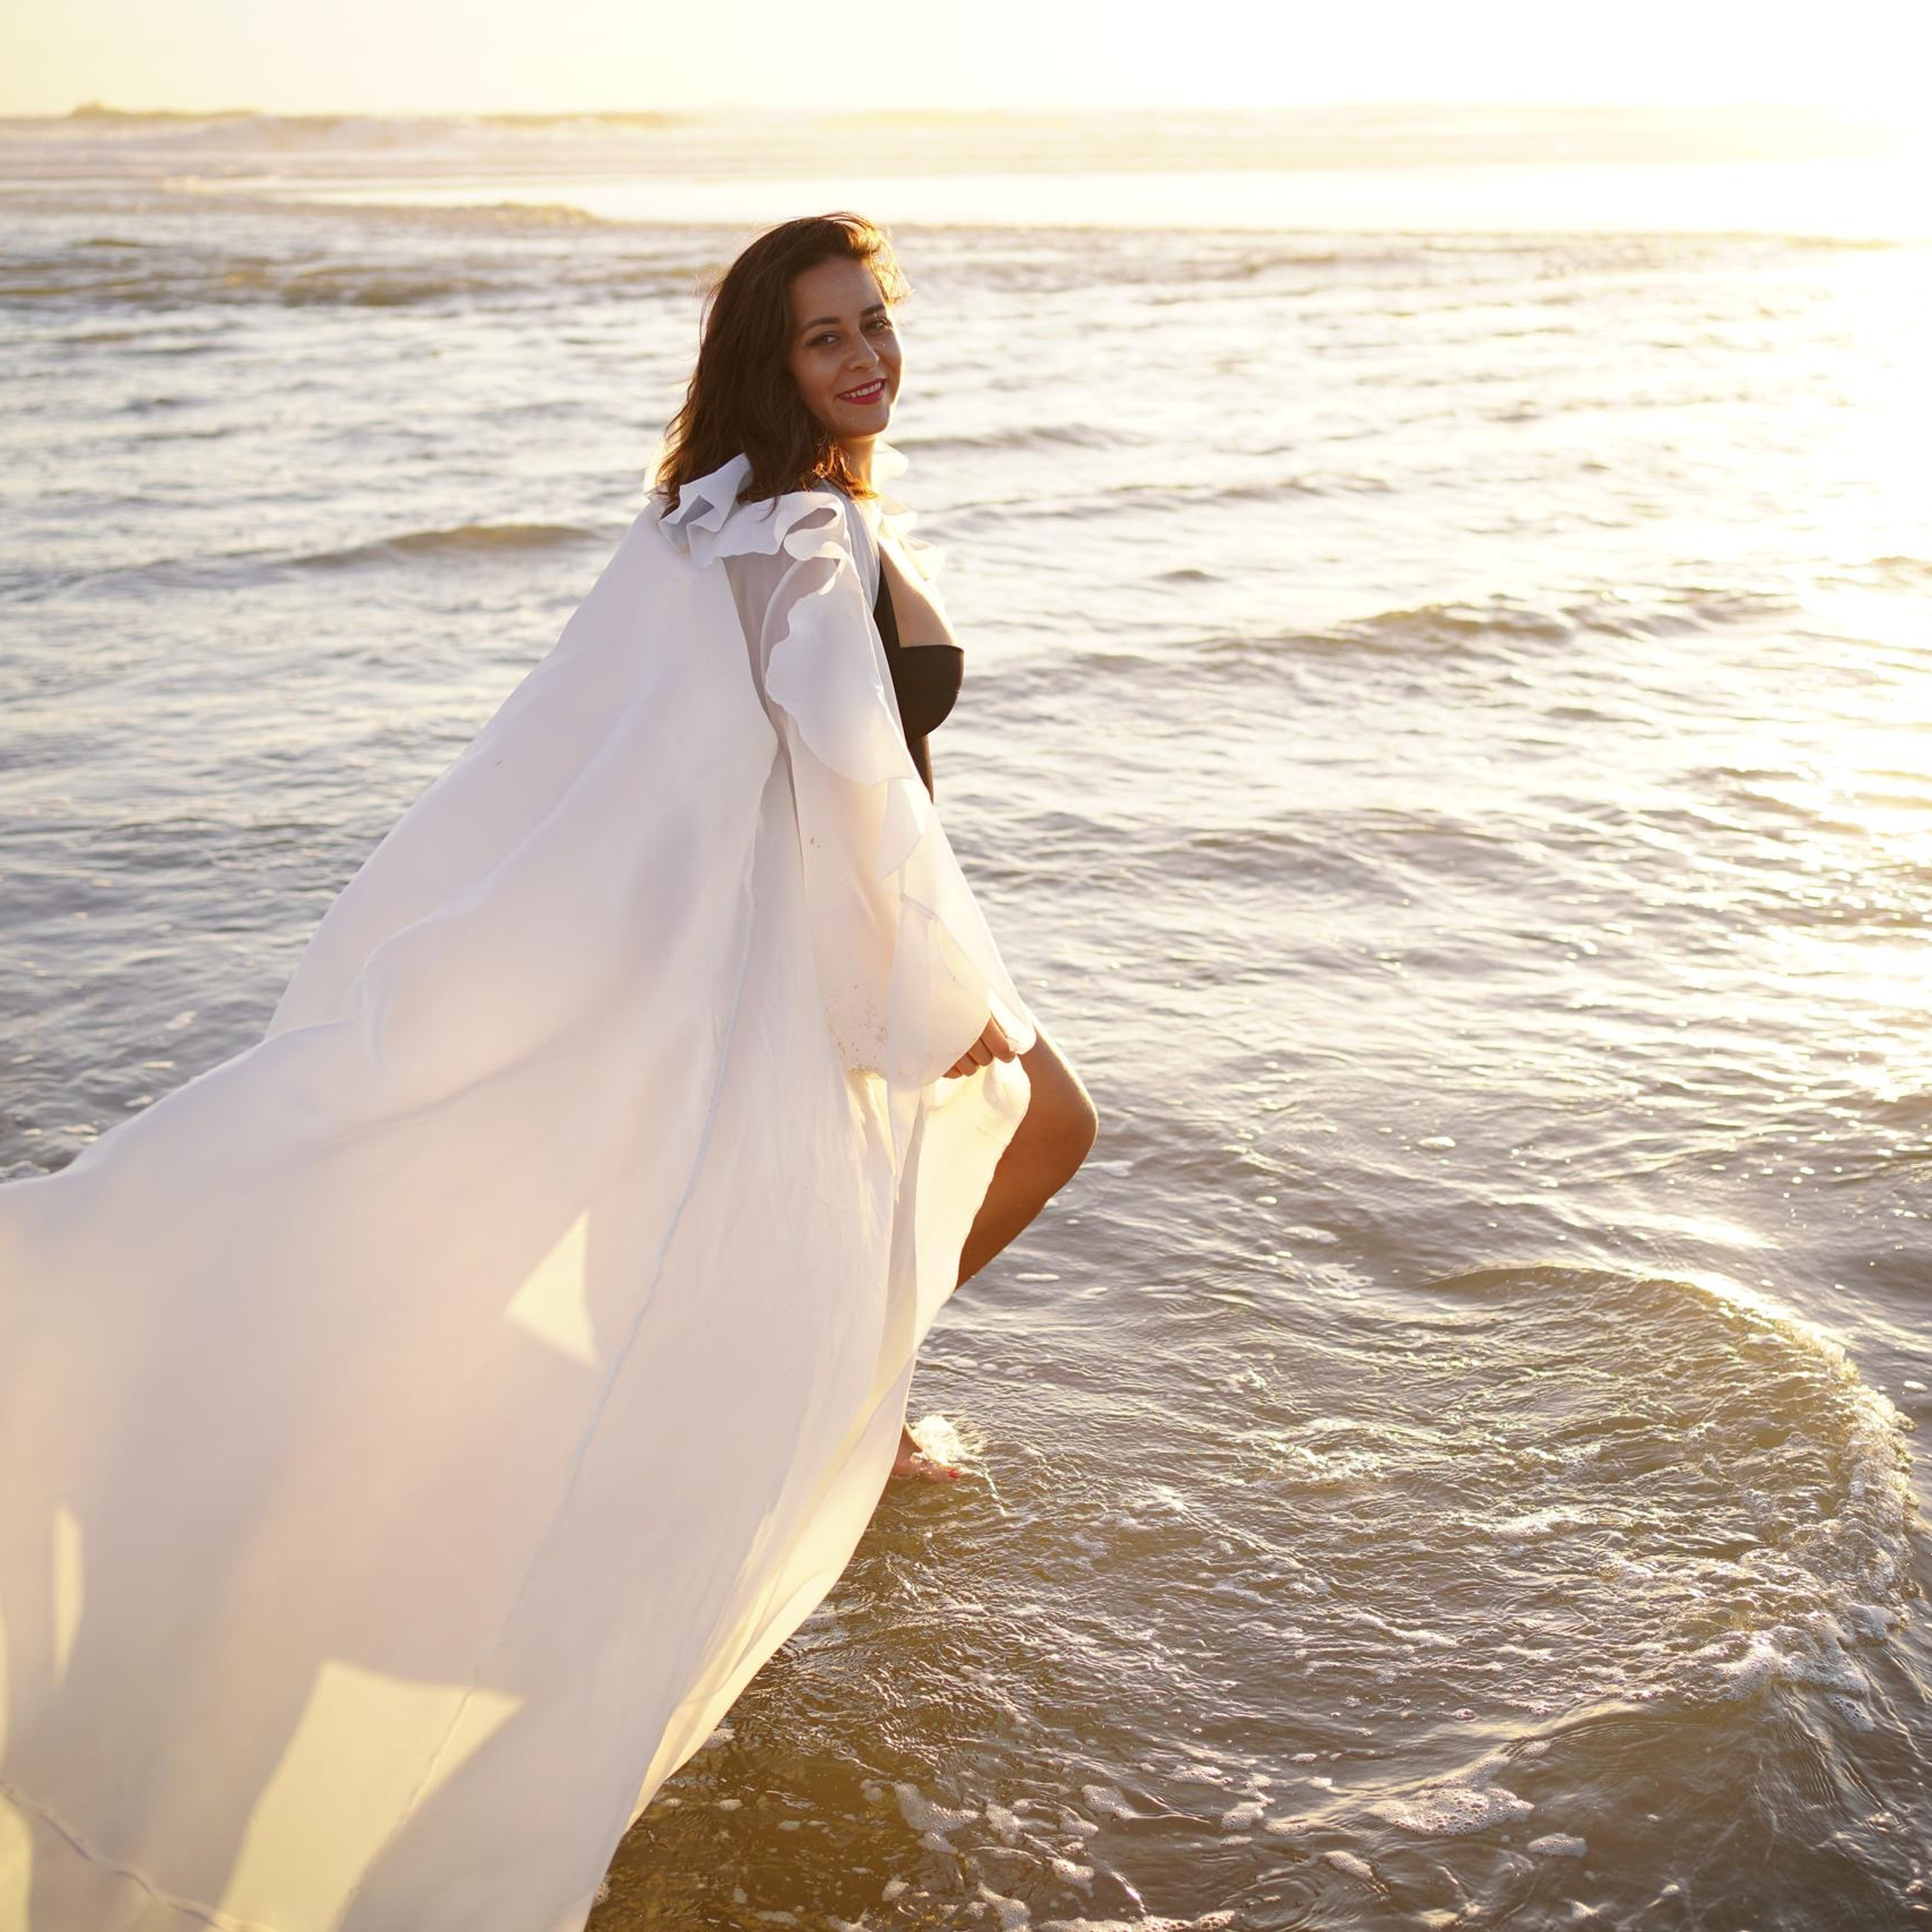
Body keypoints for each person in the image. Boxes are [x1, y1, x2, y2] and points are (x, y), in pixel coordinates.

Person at [0, 211, 1094, 1930]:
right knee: (1045, 1127)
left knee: (749, 1230)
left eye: (876, 321)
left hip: (770, 947)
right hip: (823, 945)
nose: (867, 355)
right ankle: (828, 1405)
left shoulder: (704, 522)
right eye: (825, 336)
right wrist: (920, 981)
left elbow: (588, 748)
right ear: (769, 363)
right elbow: (837, 779)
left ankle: (837, 1403)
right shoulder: (795, 536)